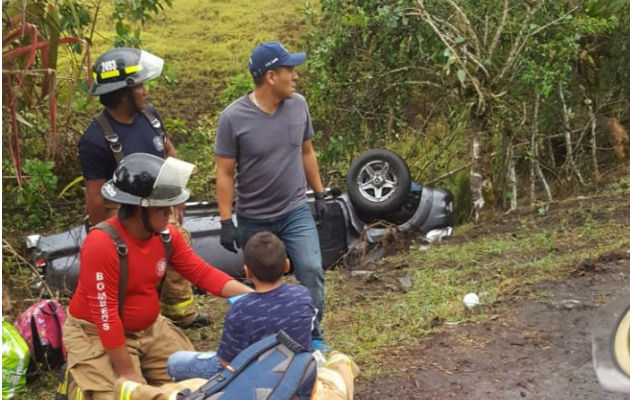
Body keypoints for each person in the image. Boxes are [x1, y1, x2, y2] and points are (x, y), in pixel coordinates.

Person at [62, 153, 253, 400]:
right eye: (162, 209)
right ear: (138, 209)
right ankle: (82, 375)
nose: (170, 214)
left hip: (151, 329)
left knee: (202, 385)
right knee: (120, 395)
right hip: (96, 333)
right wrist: (130, 377)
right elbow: (106, 318)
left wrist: (256, 297)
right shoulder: (101, 244)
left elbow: (201, 272)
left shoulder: (165, 235)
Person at [78, 47, 208, 328]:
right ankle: (134, 317)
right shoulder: (95, 140)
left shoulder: (149, 116)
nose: (145, 92)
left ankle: (181, 312)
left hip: (157, 201)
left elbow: (168, 151)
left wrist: (175, 193)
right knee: (134, 266)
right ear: (123, 93)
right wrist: (105, 237)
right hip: (122, 211)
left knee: (177, 244)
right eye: (140, 86)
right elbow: (95, 194)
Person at [215, 41, 329, 351]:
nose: (295, 76)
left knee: (311, 270)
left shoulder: (298, 105)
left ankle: (313, 337)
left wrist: (318, 195)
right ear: (270, 76)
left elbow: (307, 151)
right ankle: (265, 343)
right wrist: (226, 221)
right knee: (261, 286)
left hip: (294, 210)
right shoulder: (233, 118)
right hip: (254, 218)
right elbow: (224, 173)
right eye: (289, 70)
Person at [166, 231, 316, 380]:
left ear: (247, 272)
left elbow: (226, 362)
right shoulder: (302, 295)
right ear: (287, 266)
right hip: (296, 372)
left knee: (175, 361)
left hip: (252, 378)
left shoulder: (241, 308)